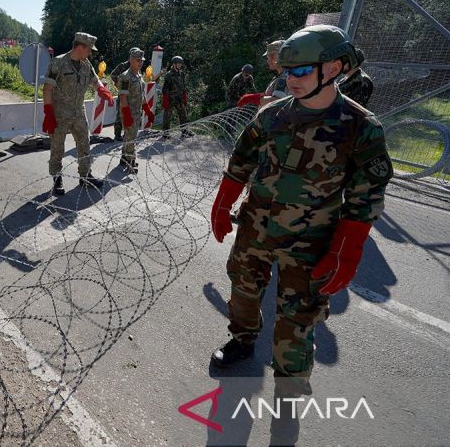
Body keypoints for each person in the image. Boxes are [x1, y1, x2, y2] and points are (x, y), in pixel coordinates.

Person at [209, 25, 392, 444]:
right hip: (255, 227)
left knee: (298, 320)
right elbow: (241, 161)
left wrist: (346, 254)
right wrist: (223, 205)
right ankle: (241, 340)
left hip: (310, 241)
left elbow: (364, 200)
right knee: (243, 287)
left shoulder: (360, 128)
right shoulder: (272, 115)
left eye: (302, 71)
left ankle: (289, 397)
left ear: (334, 68)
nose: (291, 80)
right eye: (288, 71)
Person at [42, 32, 114, 195]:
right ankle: (57, 178)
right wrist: (48, 112)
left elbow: (95, 81)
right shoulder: (58, 62)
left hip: (78, 111)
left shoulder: (86, 64)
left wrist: (103, 91)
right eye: (89, 49)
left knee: (84, 143)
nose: (90, 53)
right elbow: (47, 88)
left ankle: (85, 176)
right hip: (60, 113)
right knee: (57, 147)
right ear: (80, 47)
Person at [116, 49, 154, 173]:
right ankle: (130, 161)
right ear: (131, 60)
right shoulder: (126, 76)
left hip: (137, 111)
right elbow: (122, 97)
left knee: (129, 135)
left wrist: (147, 110)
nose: (140, 63)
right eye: (138, 60)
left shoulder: (139, 76)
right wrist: (126, 114)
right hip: (128, 111)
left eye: (141, 61)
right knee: (132, 137)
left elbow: (141, 95)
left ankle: (124, 157)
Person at [109, 47, 141, 141]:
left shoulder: (137, 66)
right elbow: (113, 75)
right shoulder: (123, 66)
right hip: (123, 93)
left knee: (133, 113)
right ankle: (117, 134)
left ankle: (128, 133)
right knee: (120, 113)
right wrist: (119, 83)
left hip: (133, 95)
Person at [161, 55, 188, 135]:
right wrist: (165, 100)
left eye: (181, 64)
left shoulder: (181, 74)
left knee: (183, 115)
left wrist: (184, 96)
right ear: (174, 64)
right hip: (171, 99)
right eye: (178, 63)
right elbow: (165, 89)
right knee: (167, 116)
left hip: (179, 99)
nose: (180, 65)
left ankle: (184, 131)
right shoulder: (169, 75)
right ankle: (165, 133)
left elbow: (183, 86)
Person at [259, 39, 289, 107]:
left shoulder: (285, 76)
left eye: (272, 56)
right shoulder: (279, 76)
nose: (268, 60)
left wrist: (258, 99)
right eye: (268, 57)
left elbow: (278, 102)